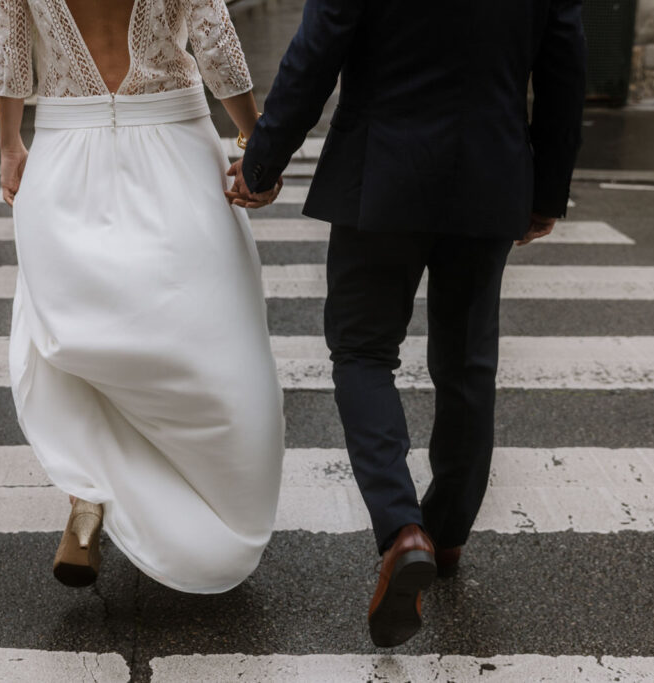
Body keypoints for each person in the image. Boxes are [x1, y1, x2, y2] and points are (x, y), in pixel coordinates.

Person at [228, 0, 586, 646]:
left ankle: (402, 529)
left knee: (362, 352)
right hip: (490, 168)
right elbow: (564, 63)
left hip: (382, 171)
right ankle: (444, 533)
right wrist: (546, 190)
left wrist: (262, 161)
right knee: (468, 362)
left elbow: (319, 46)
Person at [0, 0, 285, 593]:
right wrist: (255, 137)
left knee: (78, 338)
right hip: (173, 144)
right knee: (210, 338)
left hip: (65, 151)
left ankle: (87, 495)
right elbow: (215, 45)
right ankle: (212, 511)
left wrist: (10, 145)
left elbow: (11, 56)